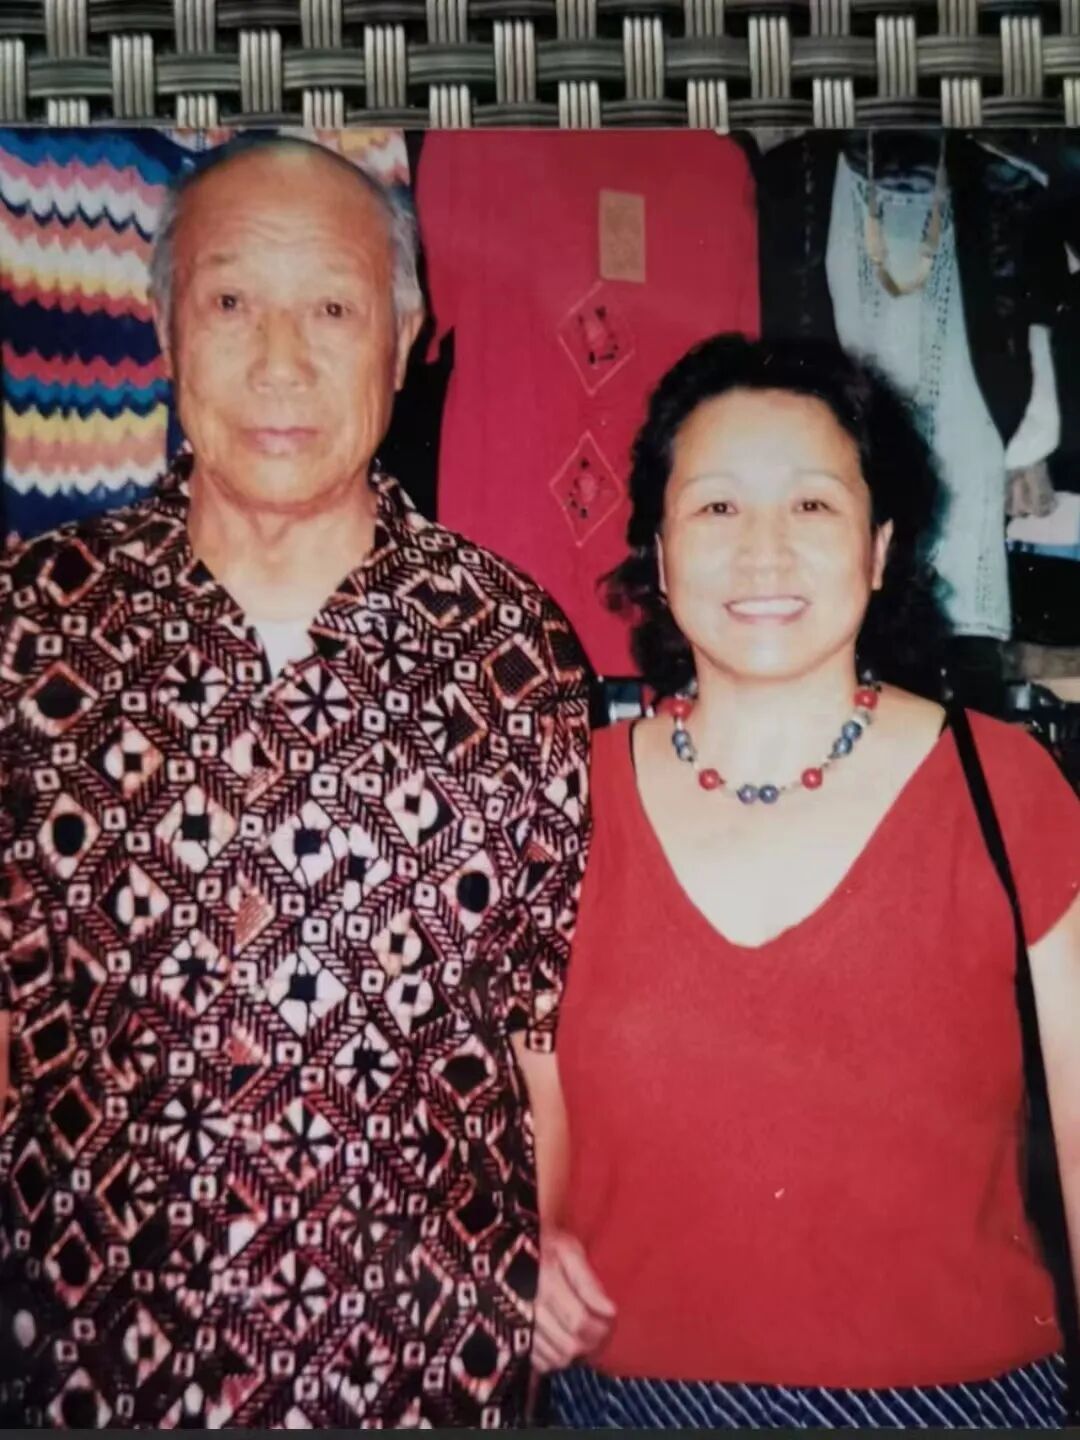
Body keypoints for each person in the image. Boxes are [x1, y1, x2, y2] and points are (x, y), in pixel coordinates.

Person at [0, 136, 591, 1429]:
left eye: (331, 307)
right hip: (89, 1367)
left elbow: (540, 1034)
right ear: (164, 329)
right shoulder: (31, 625)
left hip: (426, 1368)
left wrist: (547, 1255)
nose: (280, 360)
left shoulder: (514, 650)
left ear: (405, 336)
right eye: (230, 302)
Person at [530, 334, 1080, 1427]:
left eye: (814, 505)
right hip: (631, 1404)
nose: (764, 551)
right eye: (718, 508)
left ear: (879, 549)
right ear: (660, 552)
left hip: (960, 1407)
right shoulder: (559, 798)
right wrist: (523, 1246)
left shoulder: (1003, 786)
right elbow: (524, 1113)